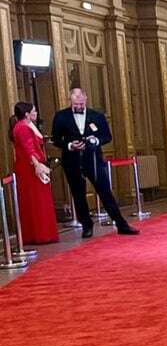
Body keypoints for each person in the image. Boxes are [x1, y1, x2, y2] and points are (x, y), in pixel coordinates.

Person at [50, 88, 138, 238]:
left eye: (81, 103)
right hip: (72, 160)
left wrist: (96, 141)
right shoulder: (61, 116)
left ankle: (121, 224)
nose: (78, 106)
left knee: (105, 192)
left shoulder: (96, 115)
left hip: (94, 159)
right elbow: (56, 139)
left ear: (86, 99)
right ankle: (86, 225)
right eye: (75, 103)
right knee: (78, 195)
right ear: (70, 100)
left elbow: (107, 136)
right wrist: (70, 145)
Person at [9, 102, 59, 245]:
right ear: (26, 114)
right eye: (34, 111)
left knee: (39, 199)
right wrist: (37, 165)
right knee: (36, 200)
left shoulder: (25, 126)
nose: (36, 113)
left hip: (31, 165)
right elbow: (28, 148)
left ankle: (42, 233)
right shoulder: (22, 128)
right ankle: (40, 234)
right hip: (30, 168)